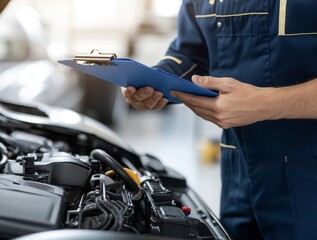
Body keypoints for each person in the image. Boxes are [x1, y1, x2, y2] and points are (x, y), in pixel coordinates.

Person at [122, 1, 317, 240]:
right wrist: (153, 81)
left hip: (308, 180)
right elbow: (192, 54)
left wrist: (267, 104)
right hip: (237, 176)